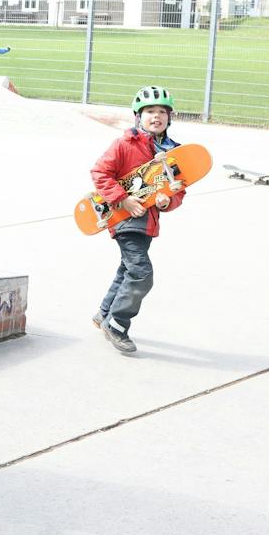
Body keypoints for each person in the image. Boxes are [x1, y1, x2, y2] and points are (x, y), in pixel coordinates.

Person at [88, 86, 187, 355]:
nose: (156, 116)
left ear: (169, 118)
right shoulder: (125, 144)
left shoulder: (174, 153)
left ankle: (103, 313)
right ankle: (117, 324)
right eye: (150, 112)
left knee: (127, 269)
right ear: (138, 117)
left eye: (162, 112)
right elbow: (100, 173)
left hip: (148, 221)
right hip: (124, 218)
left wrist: (168, 201)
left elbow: (177, 189)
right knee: (141, 274)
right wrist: (122, 199)